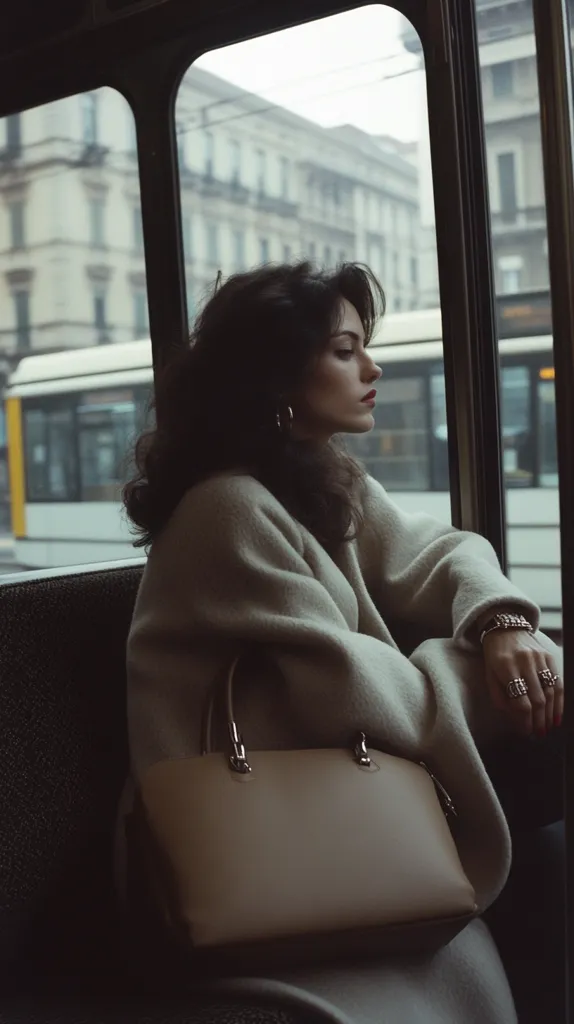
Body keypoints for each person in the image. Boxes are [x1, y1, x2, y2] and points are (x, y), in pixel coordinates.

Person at [118, 261, 564, 1024]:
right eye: (344, 350)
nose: (373, 367)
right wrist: (497, 671)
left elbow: (442, 553)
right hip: (245, 818)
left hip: (324, 774)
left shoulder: (326, 478)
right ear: (275, 375)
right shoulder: (227, 509)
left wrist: (503, 622)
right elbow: (351, 694)